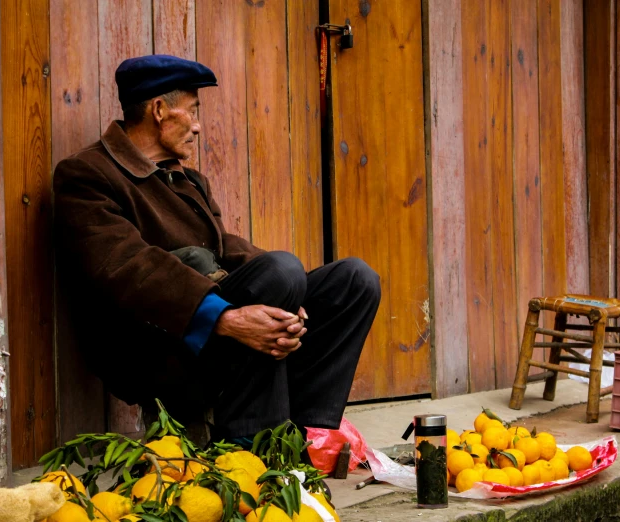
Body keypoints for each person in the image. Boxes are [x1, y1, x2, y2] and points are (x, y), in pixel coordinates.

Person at [53, 55, 381, 444]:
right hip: (154, 345)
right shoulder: (86, 174)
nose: (196, 126)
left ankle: (301, 432)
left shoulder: (187, 179)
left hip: (208, 332)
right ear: (159, 110)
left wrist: (294, 298)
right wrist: (224, 318)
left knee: (355, 281)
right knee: (281, 273)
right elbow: (126, 266)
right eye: (192, 112)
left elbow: (225, 247)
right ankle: (251, 444)